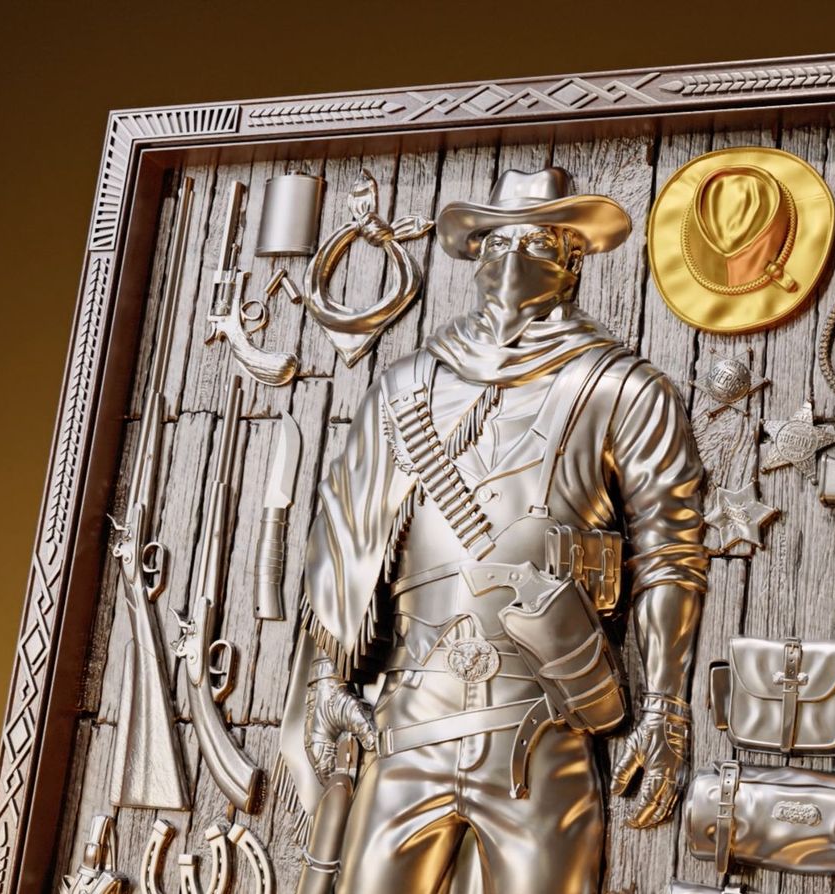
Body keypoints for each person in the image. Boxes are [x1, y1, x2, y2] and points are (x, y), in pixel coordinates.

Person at [278, 167, 707, 894]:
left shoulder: (624, 389)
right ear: (476, 254)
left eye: (537, 241)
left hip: (545, 723)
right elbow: (344, 540)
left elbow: (670, 553)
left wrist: (665, 708)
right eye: (499, 240)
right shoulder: (404, 387)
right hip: (407, 720)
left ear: (572, 260)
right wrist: (326, 678)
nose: (513, 258)